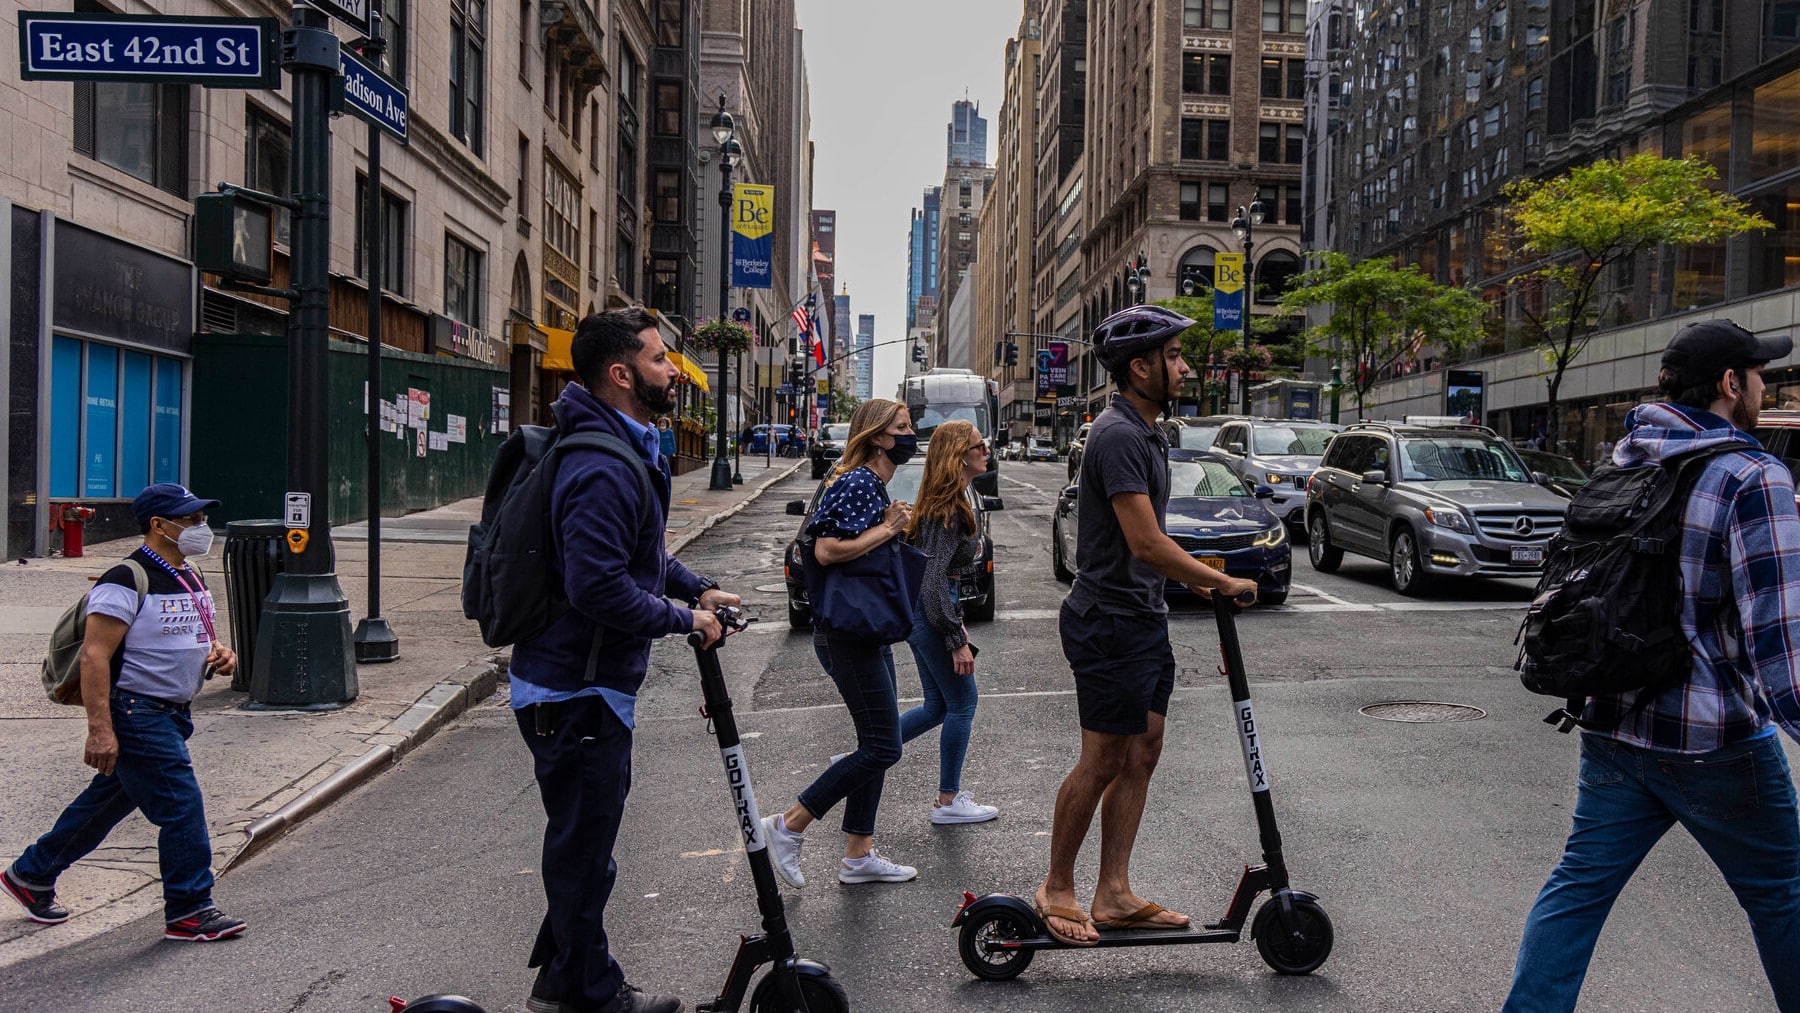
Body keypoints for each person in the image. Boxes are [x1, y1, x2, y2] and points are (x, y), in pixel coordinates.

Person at [1504, 319, 1800, 1012]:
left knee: (1577, 889)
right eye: (1759, 375)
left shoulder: (1624, 458)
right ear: (1731, 385)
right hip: (1715, 743)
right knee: (1783, 895)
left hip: (1613, 723)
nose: (1764, 386)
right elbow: (1781, 653)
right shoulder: (1753, 478)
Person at [513, 308, 740, 1013]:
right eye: (659, 358)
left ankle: (563, 974)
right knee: (585, 853)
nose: (673, 368)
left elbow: (638, 557)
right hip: (575, 688)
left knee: (584, 844)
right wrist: (685, 619)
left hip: (582, 684)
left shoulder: (620, 445)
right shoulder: (601, 465)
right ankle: (588, 993)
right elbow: (596, 584)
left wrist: (695, 586)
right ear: (621, 374)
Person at [1034, 305, 1258, 947]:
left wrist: (1193, 580)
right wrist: (1220, 581)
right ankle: (1057, 886)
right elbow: (1145, 543)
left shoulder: (1148, 431)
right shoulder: (1120, 436)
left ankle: (1114, 892)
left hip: (1141, 617)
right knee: (1103, 757)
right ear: (1141, 365)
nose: (1185, 367)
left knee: (1143, 750)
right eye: (1176, 357)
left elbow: (1155, 545)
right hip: (1107, 621)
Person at [3, 484, 243, 942]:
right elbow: (95, 656)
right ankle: (190, 909)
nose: (201, 528)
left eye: (200, 518)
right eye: (191, 519)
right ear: (159, 525)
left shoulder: (190, 575)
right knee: (180, 806)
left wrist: (219, 653)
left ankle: (30, 875)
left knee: (107, 802)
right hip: (137, 711)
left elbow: (191, 634)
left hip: (172, 712)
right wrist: (100, 729)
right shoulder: (124, 578)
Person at [762, 398, 922, 887]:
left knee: (878, 741)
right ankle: (789, 824)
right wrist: (888, 529)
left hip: (864, 630)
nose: (910, 434)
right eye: (902, 427)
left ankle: (859, 855)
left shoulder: (869, 482)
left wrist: (889, 526)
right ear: (876, 436)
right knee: (881, 746)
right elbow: (826, 550)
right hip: (848, 634)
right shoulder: (856, 481)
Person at [897, 419, 1000, 825]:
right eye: (980, 445)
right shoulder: (948, 510)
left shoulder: (947, 500)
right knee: (963, 703)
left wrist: (953, 620)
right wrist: (955, 637)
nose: (986, 450)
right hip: (931, 614)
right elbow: (932, 579)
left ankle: (866, 753)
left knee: (937, 705)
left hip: (927, 615)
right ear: (960, 456)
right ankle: (948, 800)